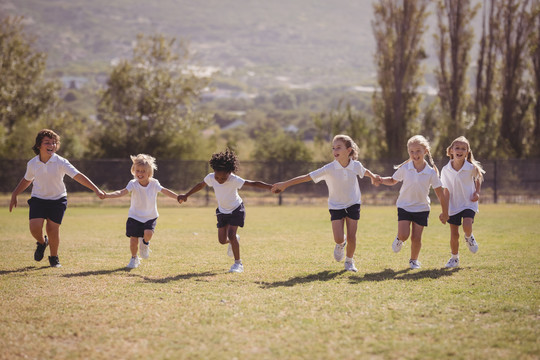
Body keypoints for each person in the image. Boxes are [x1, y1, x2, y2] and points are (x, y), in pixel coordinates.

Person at [271, 135, 381, 272]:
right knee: (338, 238)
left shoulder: (356, 166)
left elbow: (366, 172)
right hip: (336, 205)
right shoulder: (329, 168)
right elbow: (307, 177)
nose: (335, 150)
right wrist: (285, 184)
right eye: (333, 148)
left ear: (349, 150)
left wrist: (373, 178)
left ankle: (349, 261)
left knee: (352, 236)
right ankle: (341, 244)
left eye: (338, 147)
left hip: (353, 203)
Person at [9, 129, 105, 268]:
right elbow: (27, 180)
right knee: (35, 228)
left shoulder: (61, 162)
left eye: (54, 143)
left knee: (52, 229)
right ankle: (42, 242)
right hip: (38, 199)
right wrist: (14, 194)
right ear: (38, 145)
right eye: (47, 142)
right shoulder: (32, 163)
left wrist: (96, 189)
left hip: (58, 199)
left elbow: (78, 175)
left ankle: (54, 258)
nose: (52, 145)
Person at [177, 149, 272, 273]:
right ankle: (234, 240)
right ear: (214, 172)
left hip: (236, 209)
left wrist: (270, 187)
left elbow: (253, 183)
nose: (220, 180)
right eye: (217, 177)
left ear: (230, 172)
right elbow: (200, 185)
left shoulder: (234, 180)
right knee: (222, 240)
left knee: (231, 234)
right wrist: (186, 195)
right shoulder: (211, 177)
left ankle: (238, 264)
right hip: (222, 211)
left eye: (223, 177)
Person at [379, 135, 449, 269]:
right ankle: (399, 239)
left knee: (416, 238)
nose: (415, 154)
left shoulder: (431, 173)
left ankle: (413, 260)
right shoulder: (405, 168)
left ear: (425, 151)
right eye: (412, 151)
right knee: (404, 235)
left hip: (422, 208)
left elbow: (440, 194)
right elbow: (393, 180)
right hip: (404, 206)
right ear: (408, 152)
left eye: (418, 151)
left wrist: (445, 212)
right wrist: (381, 180)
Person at [102, 154, 180, 269]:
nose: (140, 173)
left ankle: (145, 243)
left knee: (147, 235)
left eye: (143, 171)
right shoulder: (133, 183)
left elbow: (165, 191)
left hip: (150, 216)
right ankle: (134, 258)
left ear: (149, 172)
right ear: (134, 171)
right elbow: (121, 192)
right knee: (133, 240)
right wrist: (107, 195)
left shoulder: (154, 183)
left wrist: (177, 197)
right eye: (137, 171)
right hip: (135, 216)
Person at [440, 136, 485, 268]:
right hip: (453, 205)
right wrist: (445, 211)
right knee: (454, 234)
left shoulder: (471, 167)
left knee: (467, 225)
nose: (460, 150)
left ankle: (469, 236)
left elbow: (478, 178)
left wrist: (477, 192)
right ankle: (454, 258)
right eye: (457, 148)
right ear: (451, 151)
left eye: (463, 149)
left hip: (468, 203)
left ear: (467, 152)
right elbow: (446, 191)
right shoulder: (445, 170)